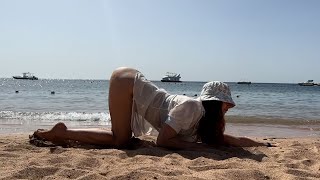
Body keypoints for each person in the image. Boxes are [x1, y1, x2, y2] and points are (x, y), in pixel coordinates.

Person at [33, 67, 270, 150]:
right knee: (121, 141)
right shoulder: (190, 107)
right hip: (127, 82)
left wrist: (259, 143)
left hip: (130, 84)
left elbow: (225, 139)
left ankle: (63, 131)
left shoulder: (202, 119)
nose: (227, 110)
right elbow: (163, 142)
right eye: (226, 106)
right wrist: (201, 150)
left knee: (123, 136)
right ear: (215, 103)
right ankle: (61, 132)